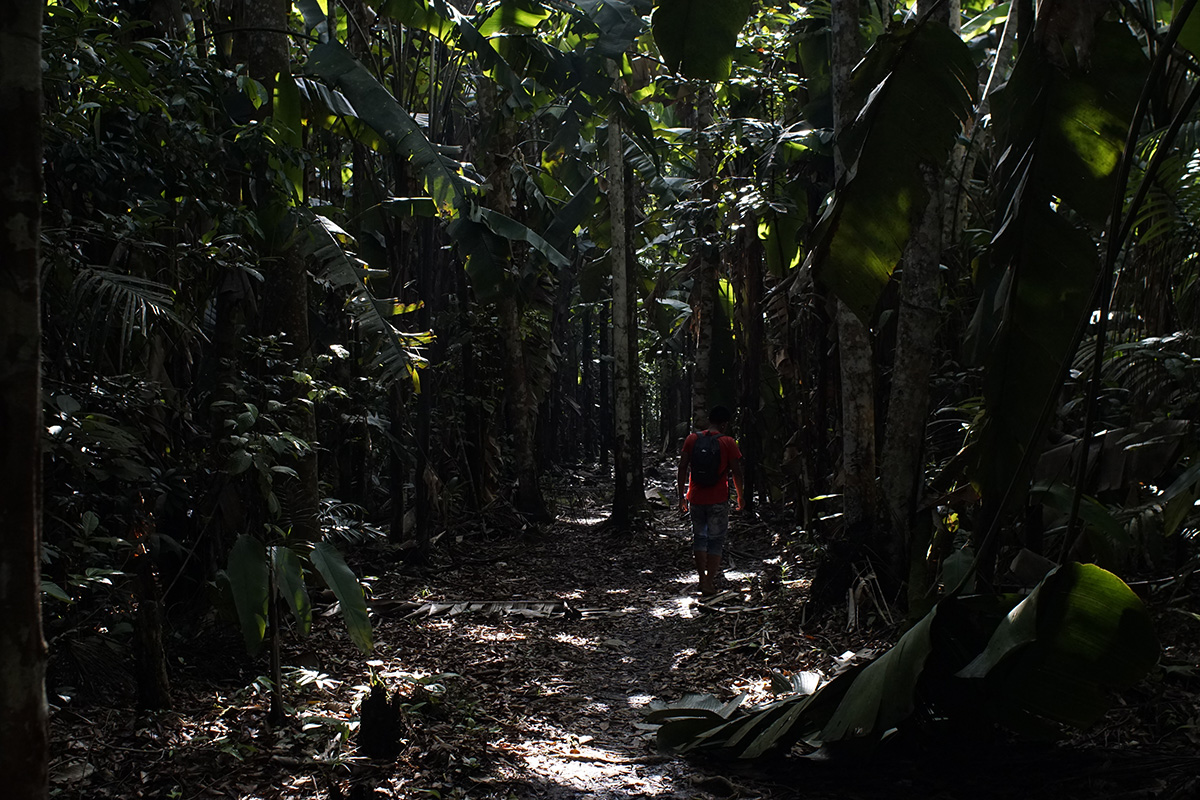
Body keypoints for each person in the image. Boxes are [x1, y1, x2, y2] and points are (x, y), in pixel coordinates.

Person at [677, 406, 745, 595]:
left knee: (699, 538)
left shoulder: (692, 439)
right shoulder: (728, 442)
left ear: (709, 420)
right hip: (718, 499)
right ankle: (708, 582)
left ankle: (701, 579)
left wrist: (681, 495)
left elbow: (682, 467)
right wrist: (740, 496)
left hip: (696, 498)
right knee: (715, 541)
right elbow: (736, 472)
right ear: (724, 424)